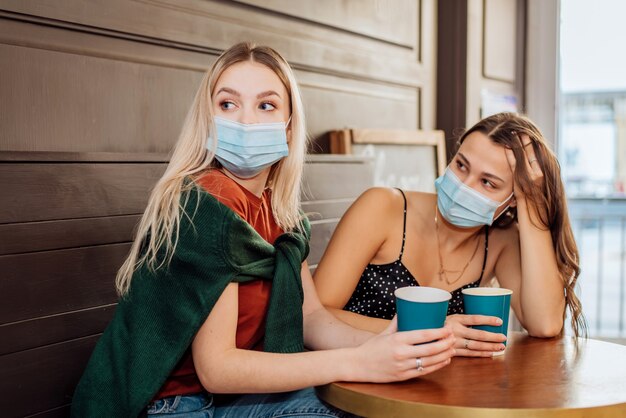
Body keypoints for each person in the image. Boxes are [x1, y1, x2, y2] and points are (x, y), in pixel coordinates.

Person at [70, 42, 455, 418]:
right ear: (209, 118)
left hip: (233, 397)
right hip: (170, 403)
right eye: (228, 104)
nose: (246, 121)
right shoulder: (206, 202)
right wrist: (358, 362)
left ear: (289, 127)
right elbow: (217, 369)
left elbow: (312, 318)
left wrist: (393, 346)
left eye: (266, 105)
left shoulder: (280, 212)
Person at [314, 112, 586, 358]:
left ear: (512, 199)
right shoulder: (382, 207)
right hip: (348, 387)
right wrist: (437, 331)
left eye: (488, 182)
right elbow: (316, 313)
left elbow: (545, 324)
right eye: (461, 165)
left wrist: (532, 202)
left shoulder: (502, 241)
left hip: (431, 396)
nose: (463, 186)